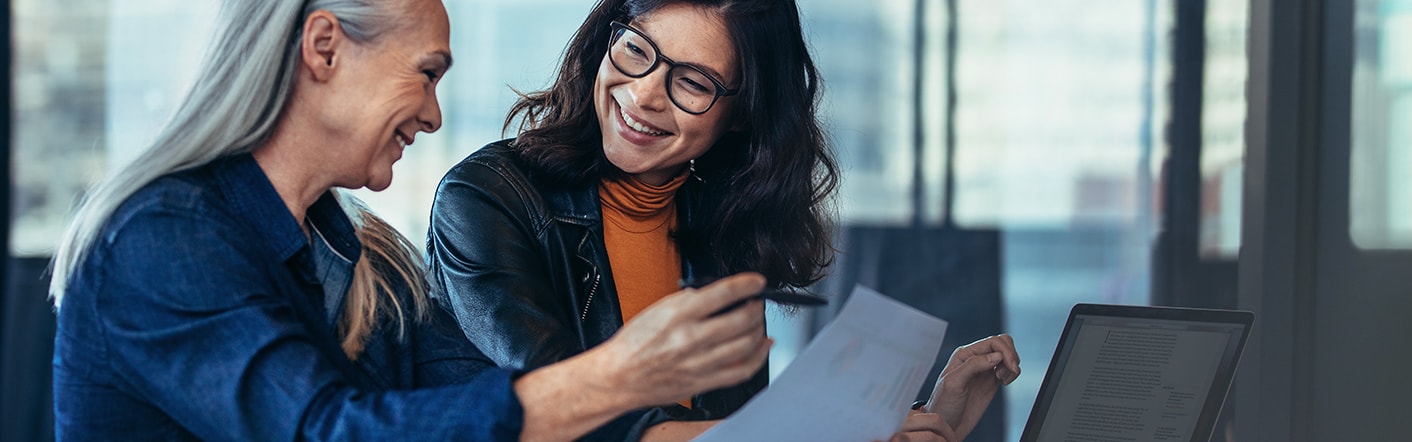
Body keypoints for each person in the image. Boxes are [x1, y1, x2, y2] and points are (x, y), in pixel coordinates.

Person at [48, 1, 773, 440]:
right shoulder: (159, 238)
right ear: (324, 48)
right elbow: (323, 431)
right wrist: (619, 373)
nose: (431, 114)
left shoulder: (367, 261)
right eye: (426, 74)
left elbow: (470, 404)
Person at [426, 0, 1020, 440]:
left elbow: (743, 429)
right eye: (636, 49)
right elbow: (570, 414)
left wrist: (923, 419)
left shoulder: (724, 229)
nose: (644, 94)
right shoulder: (488, 196)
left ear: (740, 117)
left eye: (692, 82)